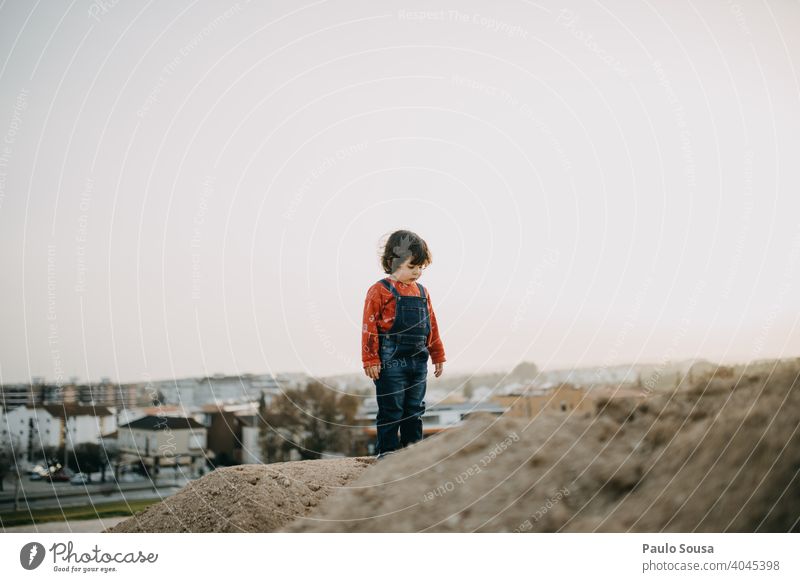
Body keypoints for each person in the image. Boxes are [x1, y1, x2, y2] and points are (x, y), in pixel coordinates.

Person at [362, 230, 446, 459]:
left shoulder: (422, 292)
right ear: (392, 262)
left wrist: (437, 354)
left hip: (418, 361)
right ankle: (387, 452)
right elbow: (369, 326)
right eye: (412, 267)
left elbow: (431, 325)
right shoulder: (379, 290)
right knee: (391, 409)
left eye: (421, 267)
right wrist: (370, 359)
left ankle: (412, 453)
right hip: (391, 361)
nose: (417, 272)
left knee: (414, 409)